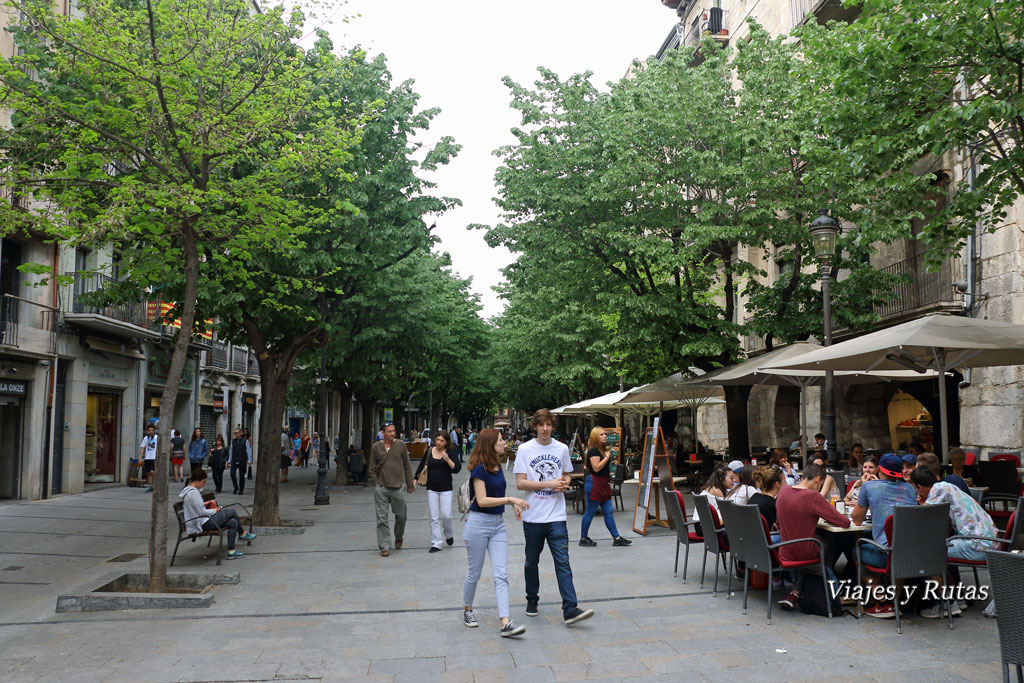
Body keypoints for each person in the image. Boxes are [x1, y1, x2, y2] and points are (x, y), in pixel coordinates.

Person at [514, 409, 594, 625]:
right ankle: (532, 599)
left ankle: (570, 608)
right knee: (532, 562)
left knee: (563, 562)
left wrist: (565, 482)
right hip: (533, 517)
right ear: (535, 427)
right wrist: (548, 484)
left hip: (557, 516)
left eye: (549, 425)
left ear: (552, 427)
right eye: (541, 425)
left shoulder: (561, 449)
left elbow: (566, 473)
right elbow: (520, 483)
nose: (545, 429)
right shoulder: (524, 449)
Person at [462, 429, 529, 637]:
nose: (505, 442)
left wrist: (512, 506)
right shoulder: (479, 470)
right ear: (491, 444)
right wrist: (511, 500)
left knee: (501, 574)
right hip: (478, 524)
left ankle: (505, 622)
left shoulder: (497, 466)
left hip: (498, 524)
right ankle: (468, 609)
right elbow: (482, 501)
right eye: (501, 440)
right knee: (475, 572)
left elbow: (496, 496)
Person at [909, 465, 997, 618]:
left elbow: (921, 518)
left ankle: (949, 603)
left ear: (920, 486)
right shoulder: (947, 487)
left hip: (978, 544)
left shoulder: (938, 490)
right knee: (940, 548)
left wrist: (922, 503)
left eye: (916, 489)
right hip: (988, 541)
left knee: (928, 554)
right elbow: (945, 527)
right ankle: (958, 598)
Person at [774, 463, 850, 611]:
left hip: (785, 550)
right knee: (829, 540)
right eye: (821, 484)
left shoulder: (783, 492)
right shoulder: (812, 496)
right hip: (805, 551)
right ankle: (827, 587)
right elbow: (844, 522)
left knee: (823, 539)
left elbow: (779, 521)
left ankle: (796, 591)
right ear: (817, 480)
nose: (820, 487)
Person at [850, 453, 918, 618]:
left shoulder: (870, 487)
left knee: (856, 550)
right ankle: (895, 601)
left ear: (880, 468)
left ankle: (881, 601)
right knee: (897, 547)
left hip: (886, 554)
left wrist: (863, 490)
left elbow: (856, 520)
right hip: (911, 553)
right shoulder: (910, 488)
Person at [179, 467, 255, 559]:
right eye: (203, 482)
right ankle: (242, 534)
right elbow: (201, 512)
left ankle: (231, 551)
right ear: (198, 481)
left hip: (201, 520)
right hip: (202, 523)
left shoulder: (189, 491)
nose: (203, 484)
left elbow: (199, 509)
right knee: (232, 512)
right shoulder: (193, 493)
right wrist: (215, 510)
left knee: (233, 522)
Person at [578, 427, 630, 548]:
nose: (605, 436)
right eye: (601, 434)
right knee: (590, 512)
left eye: (605, 434)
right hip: (595, 484)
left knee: (608, 512)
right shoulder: (593, 451)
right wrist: (607, 457)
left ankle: (617, 538)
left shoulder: (601, 450)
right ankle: (583, 538)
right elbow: (595, 468)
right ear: (596, 437)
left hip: (603, 483)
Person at [369, 423, 415, 557]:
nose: (392, 433)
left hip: (398, 486)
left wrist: (410, 484)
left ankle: (399, 536)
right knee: (381, 518)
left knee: (401, 515)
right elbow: (371, 467)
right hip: (382, 487)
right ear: (383, 433)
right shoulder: (376, 447)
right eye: (389, 431)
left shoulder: (400, 445)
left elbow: (407, 465)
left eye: (394, 431)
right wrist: (376, 483)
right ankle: (384, 546)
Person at [414, 431, 461, 552]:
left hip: (446, 488)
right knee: (434, 517)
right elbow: (422, 465)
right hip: (431, 488)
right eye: (437, 439)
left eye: (442, 441)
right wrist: (415, 479)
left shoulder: (451, 451)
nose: (439, 442)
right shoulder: (430, 450)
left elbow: (456, 469)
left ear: (446, 442)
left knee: (446, 515)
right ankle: (436, 542)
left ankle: (448, 534)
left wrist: (447, 459)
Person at [691, 464, 733, 535]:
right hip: (706, 527)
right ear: (721, 479)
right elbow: (726, 512)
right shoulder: (717, 491)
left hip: (700, 525)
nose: (734, 480)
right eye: (731, 478)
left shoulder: (712, 488)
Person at [749, 466, 784, 542]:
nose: (786, 483)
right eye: (784, 481)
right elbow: (782, 527)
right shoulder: (771, 504)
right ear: (777, 484)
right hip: (765, 543)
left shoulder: (754, 497)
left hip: (750, 541)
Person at [228, 428, 252, 495]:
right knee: (232, 474)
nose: (235, 434)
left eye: (236, 433)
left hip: (242, 460)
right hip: (234, 460)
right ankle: (236, 487)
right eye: (234, 433)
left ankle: (241, 489)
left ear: (240, 433)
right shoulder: (233, 441)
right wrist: (229, 460)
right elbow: (231, 451)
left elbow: (248, 450)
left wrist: (249, 459)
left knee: (241, 476)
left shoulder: (245, 441)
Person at [139, 424, 158, 492]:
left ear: (154, 431)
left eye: (152, 430)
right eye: (149, 430)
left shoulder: (156, 438)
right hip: (147, 457)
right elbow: (142, 448)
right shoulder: (146, 438)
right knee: (149, 473)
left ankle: (157, 482)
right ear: (147, 431)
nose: (151, 431)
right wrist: (140, 458)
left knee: (152, 471)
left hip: (154, 457)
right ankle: (151, 486)